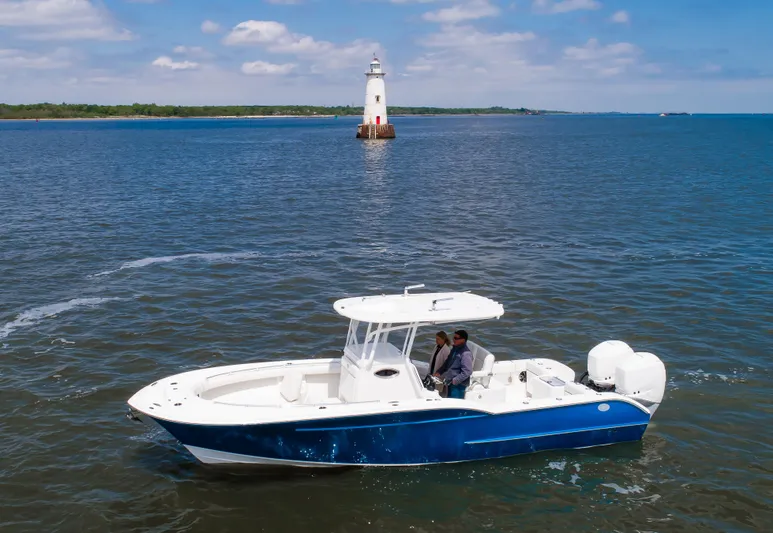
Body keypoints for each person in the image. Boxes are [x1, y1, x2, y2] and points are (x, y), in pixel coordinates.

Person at [433, 330, 473, 399]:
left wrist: (455, 380)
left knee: (454, 403)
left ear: (463, 340)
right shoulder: (454, 349)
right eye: (453, 337)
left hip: (458, 386)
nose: (453, 340)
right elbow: (447, 362)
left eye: (456, 338)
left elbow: (467, 371)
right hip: (449, 382)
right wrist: (439, 372)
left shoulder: (466, 354)